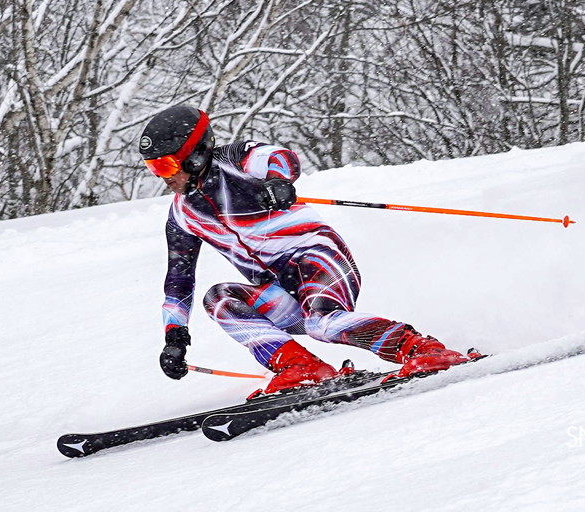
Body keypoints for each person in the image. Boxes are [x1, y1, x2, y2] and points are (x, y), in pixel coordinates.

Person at [139, 104, 472, 397]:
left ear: (195, 154)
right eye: (153, 169)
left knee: (322, 323)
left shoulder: (234, 159)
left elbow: (279, 158)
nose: (162, 177)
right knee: (219, 298)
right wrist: (175, 335)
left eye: (166, 167)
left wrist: (277, 181)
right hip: (281, 290)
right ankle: (301, 368)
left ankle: (421, 349)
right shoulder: (182, 215)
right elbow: (178, 278)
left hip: (318, 260)